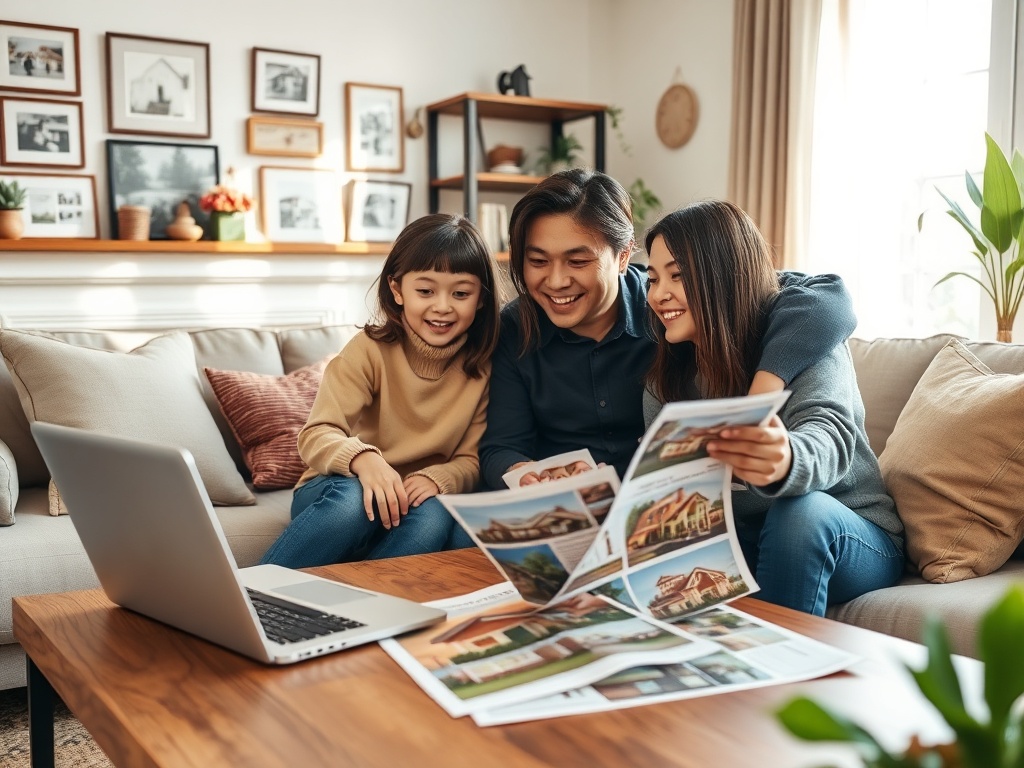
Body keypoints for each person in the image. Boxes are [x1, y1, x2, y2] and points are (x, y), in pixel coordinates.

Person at [479, 168, 858, 490]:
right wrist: (531, 476)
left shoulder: (672, 311)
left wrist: (758, 400)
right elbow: (501, 447)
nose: (556, 281)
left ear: (623, 256)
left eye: (577, 261)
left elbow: (811, 294)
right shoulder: (516, 327)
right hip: (570, 505)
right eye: (538, 262)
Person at [643, 200, 904, 615]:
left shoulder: (805, 340)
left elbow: (830, 434)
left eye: (678, 276)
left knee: (798, 514)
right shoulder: (666, 379)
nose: (659, 295)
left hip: (849, 532)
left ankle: (779, 657)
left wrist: (785, 459)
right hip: (747, 537)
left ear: (723, 276)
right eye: (653, 279)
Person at [261, 213, 501, 567]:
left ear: (480, 298)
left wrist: (438, 477)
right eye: (425, 291)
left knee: (434, 516)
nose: (443, 306)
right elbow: (317, 433)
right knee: (353, 501)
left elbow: (472, 460)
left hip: (411, 500)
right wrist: (365, 460)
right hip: (341, 489)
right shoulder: (368, 350)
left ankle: (366, 598)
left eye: (461, 293)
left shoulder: (483, 369)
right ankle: (252, 594)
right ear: (397, 289)